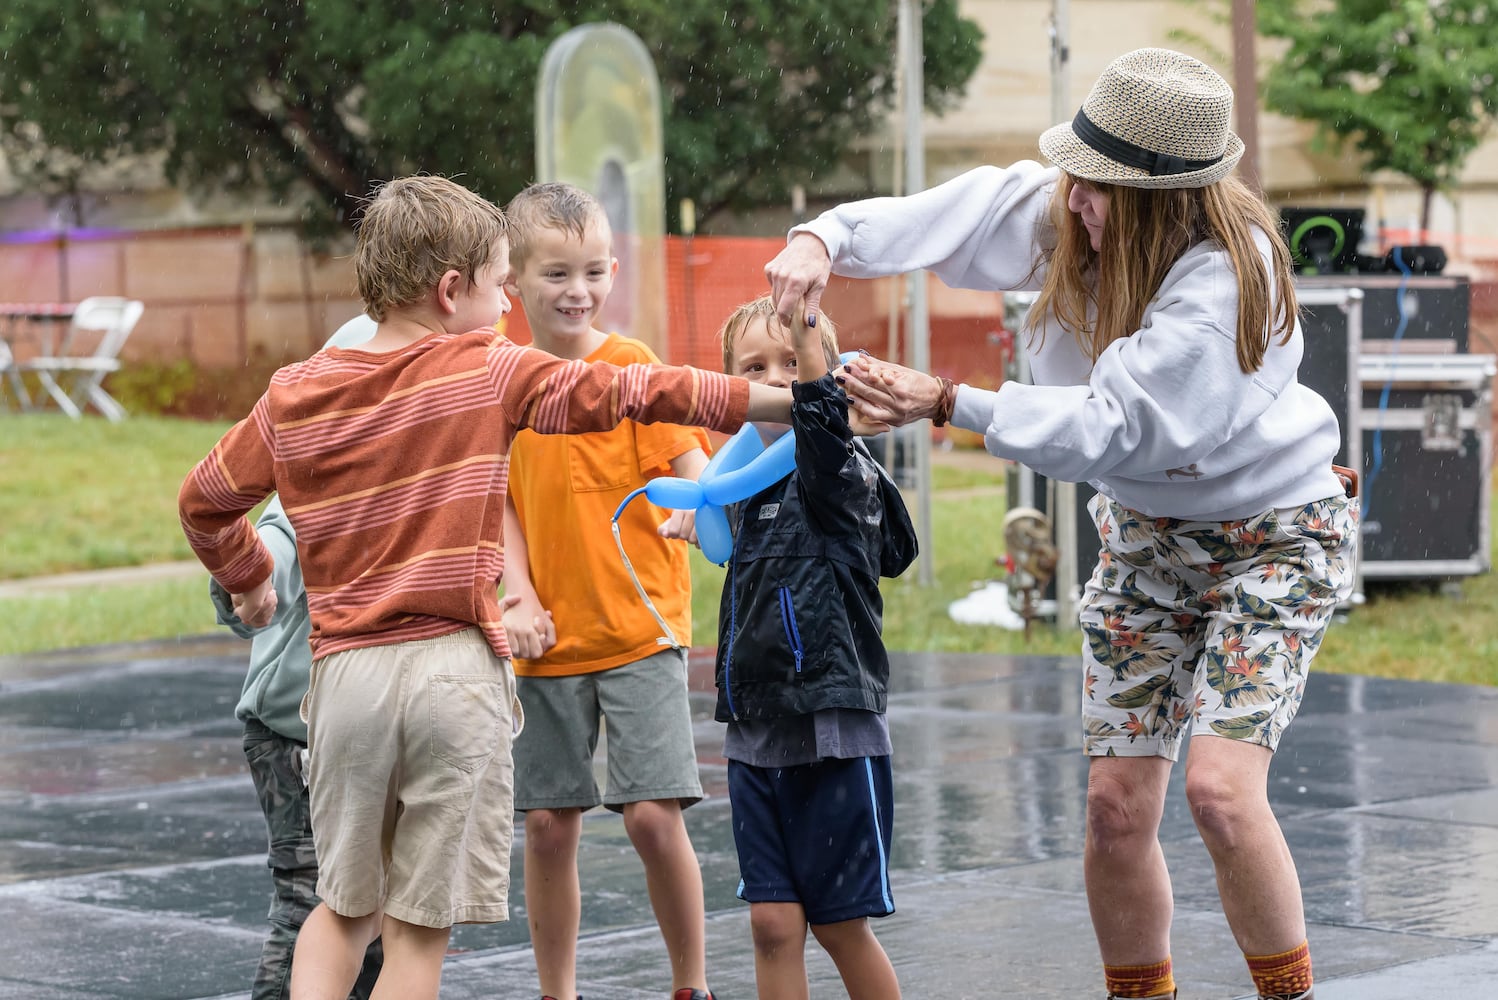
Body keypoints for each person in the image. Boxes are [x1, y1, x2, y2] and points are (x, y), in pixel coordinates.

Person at [765, 48, 1357, 1000]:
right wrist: (823, 238)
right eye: (1076, 174)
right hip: (1146, 541)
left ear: (1167, 201)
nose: (1073, 198)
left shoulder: (1224, 282)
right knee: (1116, 810)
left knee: (1218, 796)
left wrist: (951, 399)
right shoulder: (1072, 210)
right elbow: (952, 214)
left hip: (1271, 536)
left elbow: (1115, 426)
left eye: (1100, 189)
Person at [178, 174, 795, 1000]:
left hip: (345, 685)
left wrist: (249, 578)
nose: (509, 307)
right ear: (449, 291)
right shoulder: (487, 369)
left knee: (341, 911)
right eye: (503, 285)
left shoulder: (297, 389)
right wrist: (785, 402)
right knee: (417, 935)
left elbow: (203, 500)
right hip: (450, 676)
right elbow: (634, 392)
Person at [498, 181, 717, 1000]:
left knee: (652, 818)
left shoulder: (632, 371)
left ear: (613, 271)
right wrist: (516, 596)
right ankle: (560, 991)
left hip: (640, 630)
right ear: (513, 279)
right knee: (549, 826)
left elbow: (690, 471)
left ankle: (691, 985)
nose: (578, 290)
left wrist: (703, 508)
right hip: (549, 640)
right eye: (556, 274)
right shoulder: (502, 385)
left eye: (593, 271)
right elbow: (502, 508)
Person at [713, 295, 917, 1000]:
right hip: (756, 727)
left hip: (831, 727)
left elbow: (820, 420)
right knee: (771, 923)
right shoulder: (739, 488)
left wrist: (808, 344)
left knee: (838, 925)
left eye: (790, 363)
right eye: (755, 368)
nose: (776, 379)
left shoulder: (835, 472)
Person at [209, 316, 383, 1000]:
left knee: (381, 915)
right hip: (294, 733)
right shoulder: (319, 478)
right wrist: (248, 580)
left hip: (375, 726)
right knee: (314, 902)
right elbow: (274, 544)